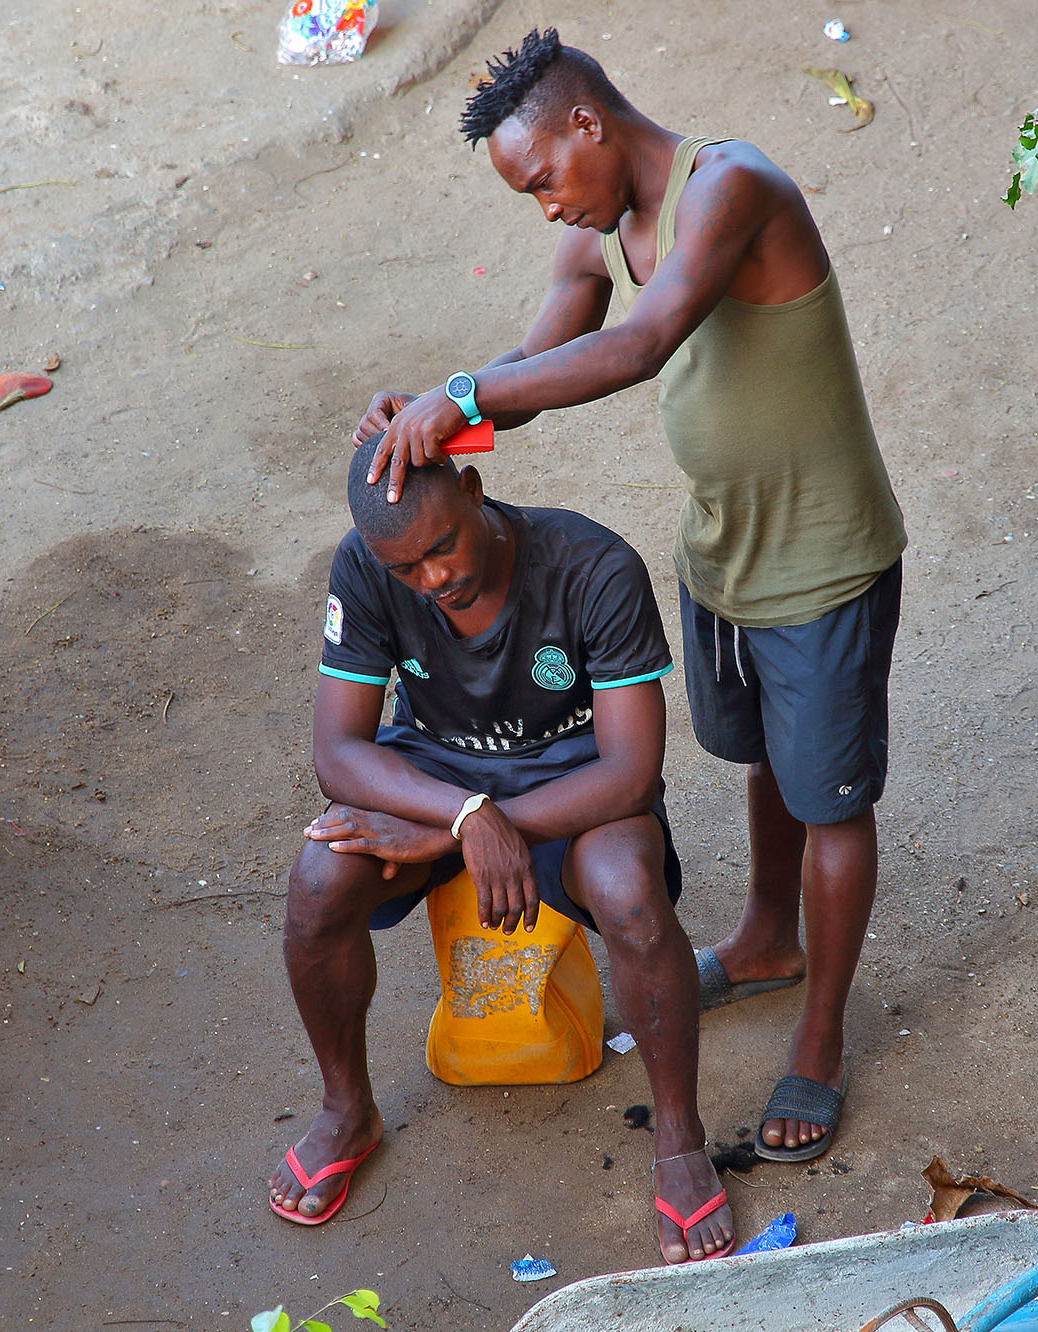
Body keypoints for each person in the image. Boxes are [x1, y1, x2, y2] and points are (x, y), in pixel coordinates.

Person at [354, 29, 908, 1162]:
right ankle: (763, 938)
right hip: (724, 550)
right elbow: (537, 366)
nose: (547, 207)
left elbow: (645, 344)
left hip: (820, 561)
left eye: (544, 178)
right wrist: (443, 413)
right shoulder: (610, 222)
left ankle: (818, 1041)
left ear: (588, 125)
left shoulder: (730, 185)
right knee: (763, 757)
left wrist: (463, 393)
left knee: (830, 800)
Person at [270, 440, 734, 1264]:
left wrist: (495, 820)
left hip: (575, 781)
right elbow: (337, 755)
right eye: (406, 568)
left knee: (629, 891)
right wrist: (463, 816)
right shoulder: (367, 565)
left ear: (477, 493)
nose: (433, 579)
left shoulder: (592, 566)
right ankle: (348, 1107)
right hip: (439, 778)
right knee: (316, 881)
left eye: (443, 547)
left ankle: (679, 1138)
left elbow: (630, 772)